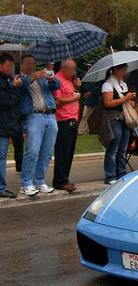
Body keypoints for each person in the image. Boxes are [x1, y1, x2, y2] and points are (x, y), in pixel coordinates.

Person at [17, 54, 60, 196]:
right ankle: (26, 183)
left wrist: (52, 79)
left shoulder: (41, 77)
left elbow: (56, 86)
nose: (31, 66)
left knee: (47, 151)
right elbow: (17, 88)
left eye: (33, 64)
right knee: (33, 150)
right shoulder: (18, 79)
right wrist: (32, 77)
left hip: (50, 114)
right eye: (28, 64)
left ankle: (40, 180)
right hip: (33, 116)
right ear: (22, 65)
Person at [99, 64, 135, 184]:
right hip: (113, 118)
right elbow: (108, 103)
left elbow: (125, 101)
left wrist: (130, 102)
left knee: (123, 148)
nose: (124, 73)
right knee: (113, 147)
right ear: (115, 70)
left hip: (124, 117)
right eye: (122, 70)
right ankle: (110, 175)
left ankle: (122, 173)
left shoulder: (123, 85)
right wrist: (125, 99)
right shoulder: (108, 85)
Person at [53, 59, 81, 192]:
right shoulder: (57, 79)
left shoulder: (69, 80)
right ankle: (60, 180)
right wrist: (72, 98)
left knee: (69, 151)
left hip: (72, 118)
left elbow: (69, 93)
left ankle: (65, 178)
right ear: (64, 68)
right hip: (63, 119)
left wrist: (75, 87)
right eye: (71, 69)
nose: (73, 72)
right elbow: (57, 101)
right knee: (63, 151)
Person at [0, 53, 23, 198]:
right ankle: (1, 188)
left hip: (4, 124)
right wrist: (14, 88)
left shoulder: (4, 81)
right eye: (9, 66)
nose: (11, 69)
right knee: (1, 157)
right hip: (1, 126)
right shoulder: (2, 83)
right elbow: (7, 103)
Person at [78, 61, 101, 135]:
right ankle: (83, 130)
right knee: (85, 116)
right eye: (88, 66)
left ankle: (83, 131)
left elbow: (99, 88)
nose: (88, 68)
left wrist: (91, 92)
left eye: (90, 66)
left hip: (95, 100)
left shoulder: (98, 76)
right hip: (89, 100)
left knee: (87, 116)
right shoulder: (88, 76)